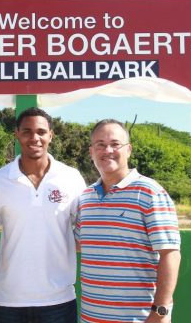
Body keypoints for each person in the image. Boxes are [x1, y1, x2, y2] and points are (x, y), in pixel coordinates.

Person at [0, 107, 87, 323]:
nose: (34, 138)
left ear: (51, 135)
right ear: (17, 134)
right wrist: (1, 259)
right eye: (27, 131)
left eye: (41, 132)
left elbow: (86, 231)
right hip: (7, 301)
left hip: (59, 301)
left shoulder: (71, 177)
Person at [76, 119, 181, 323]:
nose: (108, 150)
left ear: (129, 149)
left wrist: (160, 312)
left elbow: (170, 254)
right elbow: (80, 245)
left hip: (140, 318)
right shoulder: (86, 197)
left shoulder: (150, 192)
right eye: (100, 144)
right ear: (91, 152)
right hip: (90, 317)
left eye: (115, 144)